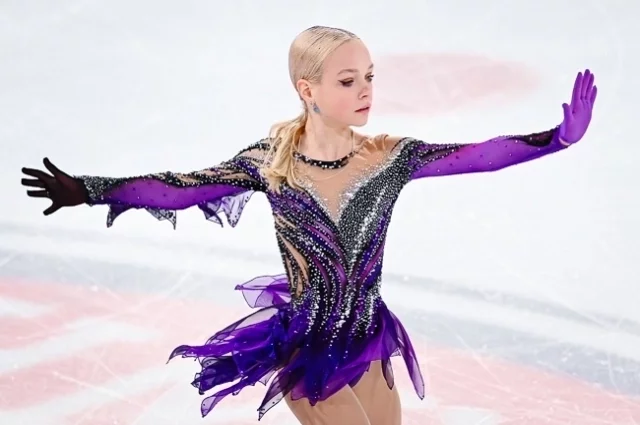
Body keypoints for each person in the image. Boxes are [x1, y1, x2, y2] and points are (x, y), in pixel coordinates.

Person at [20, 26, 596, 425]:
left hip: (368, 339)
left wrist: (556, 139)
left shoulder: (388, 158)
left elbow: (476, 155)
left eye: (369, 76)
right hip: (309, 350)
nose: (365, 90)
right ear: (307, 89)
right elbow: (181, 187)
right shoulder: (273, 165)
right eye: (347, 81)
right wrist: (90, 189)